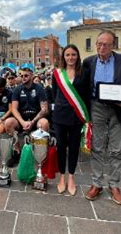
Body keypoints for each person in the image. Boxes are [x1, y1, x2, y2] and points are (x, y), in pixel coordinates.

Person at [82, 31, 121, 205]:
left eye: (106, 44)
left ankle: (114, 184)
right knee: (96, 146)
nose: (102, 47)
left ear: (113, 45)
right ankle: (97, 183)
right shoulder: (89, 62)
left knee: (117, 149)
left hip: (118, 108)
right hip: (97, 107)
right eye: (99, 44)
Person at [52, 45, 89, 196]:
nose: (70, 58)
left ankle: (71, 177)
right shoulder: (57, 73)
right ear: (63, 57)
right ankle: (62, 177)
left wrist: (87, 117)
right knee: (61, 147)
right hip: (60, 116)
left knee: (74, 147)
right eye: (67, 55)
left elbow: (86, 95)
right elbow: (55, 94)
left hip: (76, 116)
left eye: (73, 54)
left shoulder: (84, 73)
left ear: (78, 56)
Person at [4, 63, 49, 165]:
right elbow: (14, 109)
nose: (23, 78)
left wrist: (32, 122)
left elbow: (44, 109)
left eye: (26, 76)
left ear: (32, 76)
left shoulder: (39, 89)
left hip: (36, 119)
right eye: (22, 76)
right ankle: (17, 151)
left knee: (44, 123)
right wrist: (23, 122)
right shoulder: (17, 89)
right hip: (22, 120)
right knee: (8, 122)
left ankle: (40, 153)